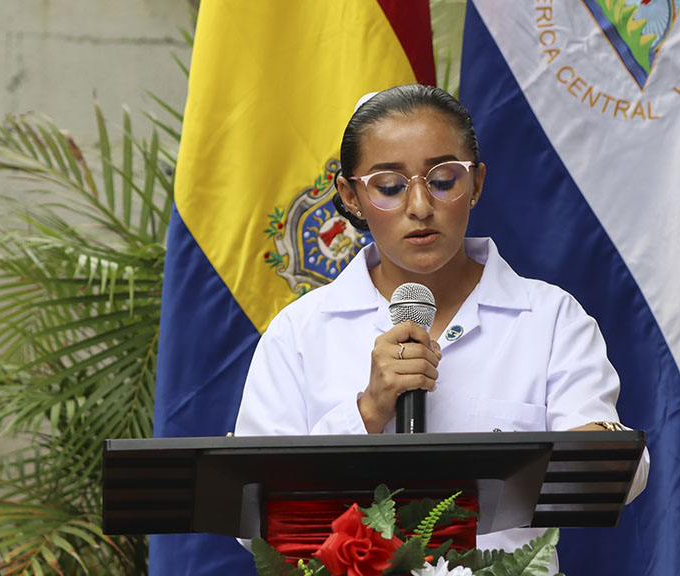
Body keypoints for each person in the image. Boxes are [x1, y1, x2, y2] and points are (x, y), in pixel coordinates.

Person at [234, 84, 648, 565]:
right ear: (351, 196)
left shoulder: (550, 318)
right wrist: (367, 413)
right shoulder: (299, 332)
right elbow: (252, 524)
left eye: (444, 179)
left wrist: (592, 447)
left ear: (476, 184)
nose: (419, 206)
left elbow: (623, 476)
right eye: (389, 186)